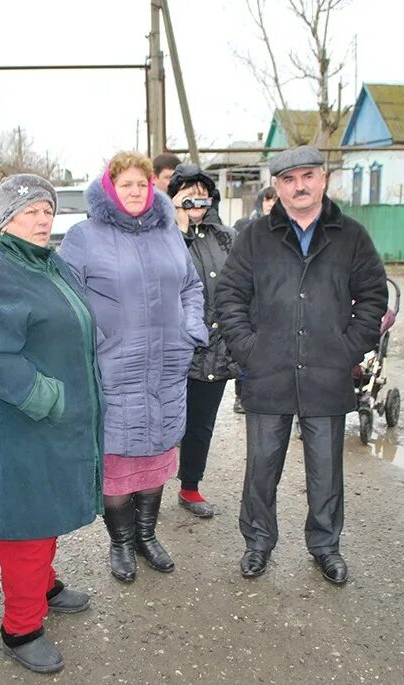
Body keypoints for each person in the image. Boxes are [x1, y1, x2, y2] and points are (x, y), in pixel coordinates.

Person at [215, 145, 387, 584]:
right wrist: (249, 348)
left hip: (327, 372)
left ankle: (325, 545)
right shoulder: (255, 237)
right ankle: (257, 542)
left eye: (307, 176)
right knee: (262, 465)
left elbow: (373, 298)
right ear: (277, 187)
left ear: (324, 179)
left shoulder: (351, 236)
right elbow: (230, 296)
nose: (300, 186)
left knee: (326, 469)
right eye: (289, 180)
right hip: (268, 371)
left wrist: (347, 348)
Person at [0, 174, 102, 674]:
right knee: (27, 524)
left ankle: (44, 584)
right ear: (3, 220)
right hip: (24, 423)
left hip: (54, 422)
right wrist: (50, 399)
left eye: (46, 209)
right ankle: (21, 626)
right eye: (28, 212)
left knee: (49, 508)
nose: (42, 219)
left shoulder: (46, 261)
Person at [59, 151, 207, 583]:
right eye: (125, 184)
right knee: (119, 465)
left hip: (165, 367)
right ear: (109, 188)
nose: (135, 191)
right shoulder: (84, 236)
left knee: (157, 456)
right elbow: (67, 298)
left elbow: (191, 287)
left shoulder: (168, 233)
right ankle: (121, 543)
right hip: (114, 369)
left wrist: (190, 329)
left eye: (142, 184)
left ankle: (147, 536)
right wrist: (97, 343)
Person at [167, 162, 237, 518]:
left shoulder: (226, 236)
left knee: (200, 424)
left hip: (216, 349)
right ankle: (141, 492)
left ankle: (190, 486)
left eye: (202, 195)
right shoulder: (159, 235)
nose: (196, 203)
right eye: (187, 196)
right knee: (162, 424)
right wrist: (177, 227)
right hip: (171, 350)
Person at [232, 186, 277, 414]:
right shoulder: (244, 226)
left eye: (274, 200)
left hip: (276, 297)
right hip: (251, 296)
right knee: (248, 350)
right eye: (267, 199)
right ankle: (241, 394)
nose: (270, 204)